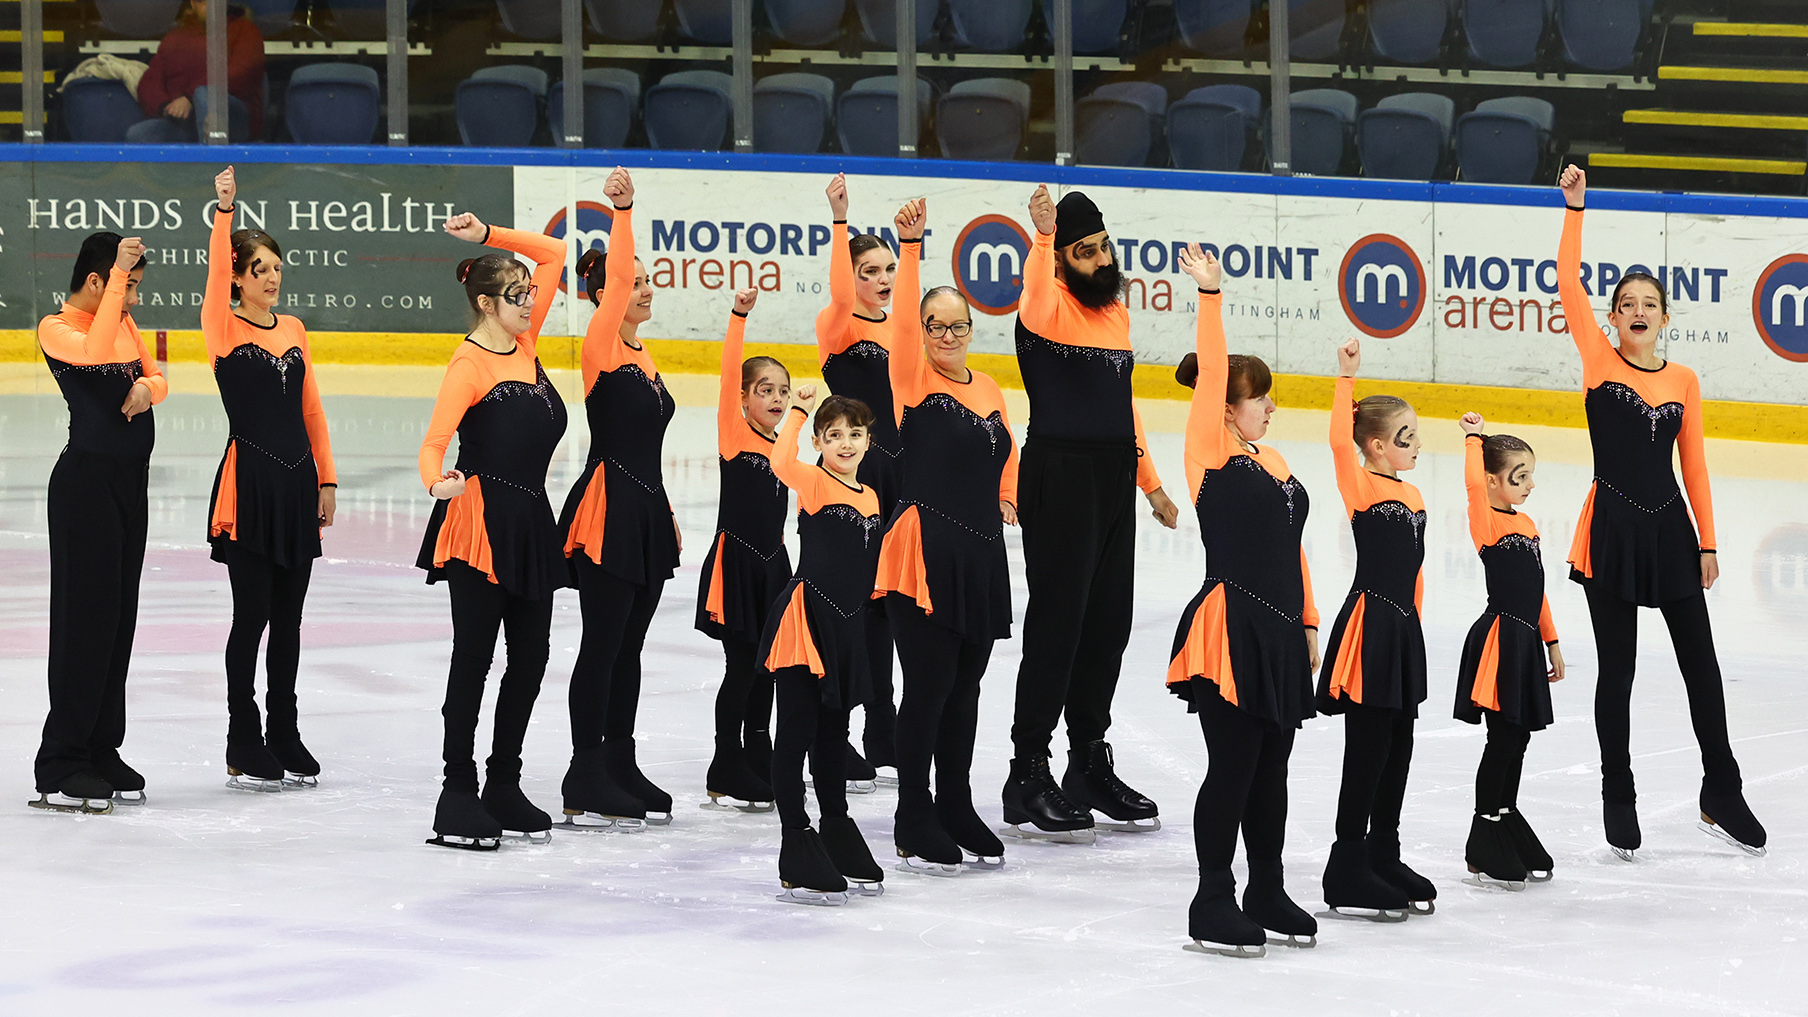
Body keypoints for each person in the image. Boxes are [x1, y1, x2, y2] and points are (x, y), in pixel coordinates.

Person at [1556, 165, 1765, 858]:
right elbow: (1565, 282)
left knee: (1700, 665)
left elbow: (1695, 465)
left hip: (1671, 530)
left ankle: (1722, 788)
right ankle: (1620, 792)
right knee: (1618, 673)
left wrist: (1708, 542)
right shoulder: (1597, 359)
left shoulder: (1684, 380)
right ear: (1613, 318)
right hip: (1612, 530)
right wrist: (1576, 211)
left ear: (1665, 317)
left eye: (1650, 302)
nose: (1637, 309)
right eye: (1626, 302)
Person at [1004, 184, 1179, 841]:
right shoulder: (1043, 306)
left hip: (1111, 479)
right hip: (1059, 477)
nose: (1102, 260)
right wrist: (1044, 236)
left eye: (1104, 246)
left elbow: (1122, 402)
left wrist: (1151, 482)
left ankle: (1086, 763)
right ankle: (1028, 771)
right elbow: (1039, 281)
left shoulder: (1115, 315)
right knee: (1058, 626)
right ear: (1059, 259)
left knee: (1108, 625)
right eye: (1085, 251)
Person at [1167, 244, 1319, 958]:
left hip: (1283, 630)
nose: (1270, 406)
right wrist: (1211, 297)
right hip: (1230, 625)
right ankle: (1211, 896)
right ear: (1227, 404)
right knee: (1232, 765)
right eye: (1260, 397)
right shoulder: (1210, 447)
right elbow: (1211, 370)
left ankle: (1266, 884)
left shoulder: (1276, 461)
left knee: (1273, 766)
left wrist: (1309, 621)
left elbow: (1293, 546)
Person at [415, 187, 579, 849]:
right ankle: (457, 792)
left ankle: (502, 783)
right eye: (516, 294)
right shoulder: (468, 363)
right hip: (478, 523)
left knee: (532, 657)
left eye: (530, 293)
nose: (530, 299)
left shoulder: (527, 341)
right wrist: (437, 482)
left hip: (532, 518)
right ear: (486, 302)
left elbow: (555, 250)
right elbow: (432, 443)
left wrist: (487, 230)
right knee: (474, 659)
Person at [874, 199, 1019, 876]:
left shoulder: (988, 383)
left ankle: (956, 803)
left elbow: (1003, 447)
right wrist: (910, 247)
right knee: (928, 684)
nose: (948, 334)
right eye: (937, 325)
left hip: (981, 552)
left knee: (968, 686)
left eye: (958, 324)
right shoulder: (911, 379)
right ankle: (913, 812)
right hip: (923, 550)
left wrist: (1010, 492)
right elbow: (901, 322)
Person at [202, 166, 336, 792]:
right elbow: (210, 279)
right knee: (251, 615)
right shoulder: (222, 325)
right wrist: (225, 210)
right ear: (238, 276)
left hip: (297, 483)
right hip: (250, 482)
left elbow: (311, 409)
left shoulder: (295, 330)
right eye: (260, 269)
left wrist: (327, 481)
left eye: (277, 268)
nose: (272, 277)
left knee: (291, 618)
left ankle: (285, 730)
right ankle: (241, 735)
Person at [557, 170, 680, 829]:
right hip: (606, 507)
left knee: (629, 647)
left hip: (644, 508)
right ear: (604, 293)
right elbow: (619, 264)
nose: (644, 286)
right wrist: (622, 211)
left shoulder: (643, 350)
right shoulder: (602, 342)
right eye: (633, 280)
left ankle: (620, 759)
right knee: (603, 644)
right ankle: (585, 771)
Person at [31, 232, 165, 815]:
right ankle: (62, 759)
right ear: (97, 282)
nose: (133, 298)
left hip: (128, 486)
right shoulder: (56, 328)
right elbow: (95, 352)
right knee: (84, 622)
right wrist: (118, 282)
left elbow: (159, 376)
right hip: (84, 487)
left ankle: (101, 747)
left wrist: (145, 385)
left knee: (117, 619)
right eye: (127, 286)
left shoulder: (125, 325)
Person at [1315, 338, 1431, 919]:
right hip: (1369, 627)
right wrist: (1346, 380)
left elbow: (1416, 567)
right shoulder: (1362, 484)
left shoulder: (1411, 493)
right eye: (1406, 438)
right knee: (1367, 747)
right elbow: (1339, 440)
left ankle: (1384, 850)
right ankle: (1346, 861)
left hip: (1403, 629)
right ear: (1378, 446)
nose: (1416, 446)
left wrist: (1416, 625)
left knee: (1400, 745)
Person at [760, 375, 888, 905]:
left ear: (868, 440)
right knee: (796, 731)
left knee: (835, 733)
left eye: (854, 433)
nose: (844, 443)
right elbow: (778, 464)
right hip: (805, 622)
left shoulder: (873, 494)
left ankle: (835, 824)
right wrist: (795, 409)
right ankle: (796, 839)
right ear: (818, 442)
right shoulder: (812, 481)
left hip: (848, 625)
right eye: (832, 435)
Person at [815, 173, 911, 788]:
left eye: (887, 270)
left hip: (903, 472)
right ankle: (839, 729)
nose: (881, 280)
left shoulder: (902, 325)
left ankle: (883, 724)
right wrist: (841, 221)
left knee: (890, 606)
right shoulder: (840, 325)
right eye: (868, 270)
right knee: (850, 601)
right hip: (855, 470)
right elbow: (839, 297)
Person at [1454, 413, 1565, 887]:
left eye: (1530, 475)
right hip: (1498, 640)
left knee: (1519, 737)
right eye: (1519, 477)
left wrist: (1552, 642)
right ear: (1493, 481)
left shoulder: (1529, 524)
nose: (1529, 485)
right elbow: (1473, 488)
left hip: (1525, 641)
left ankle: (1506, 812)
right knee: (1501, 739)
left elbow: (1537, 590)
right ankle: (1485, 830)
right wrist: (1473, 441)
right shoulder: (1488, 522)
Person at [697, 287, 792, 811]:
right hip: (737, 564)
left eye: (782, 390)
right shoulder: (735, 433)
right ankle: (725, 762)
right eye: (764, 390)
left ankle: (760, 752)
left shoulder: (782, 444)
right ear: (744, 397)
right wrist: (738, 317)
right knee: (742, 666)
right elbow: (729, 368)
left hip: (774, 566)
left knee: (768, 667)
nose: (776, 399)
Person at [130, 0, 265, 143]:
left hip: (231, 117)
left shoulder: (245, 30)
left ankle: (210, 161)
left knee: (206, 95)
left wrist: (189, 98)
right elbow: (150, 81)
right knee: (138, 134)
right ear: (193, 4)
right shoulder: (174, 38)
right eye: (203, 2)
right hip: (184, 122)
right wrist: (165, 107)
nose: (210, 5)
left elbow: (242, 71)